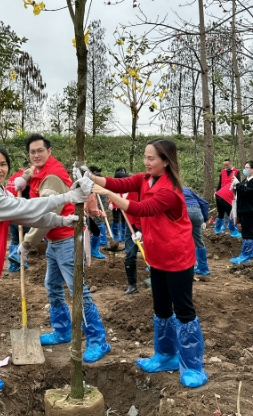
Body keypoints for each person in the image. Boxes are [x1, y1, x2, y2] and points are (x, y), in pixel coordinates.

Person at [0, 144, 91, 395]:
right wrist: (66, 198)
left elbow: (24, 217)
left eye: (3, 164)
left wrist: (60, 220)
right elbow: (25, 208)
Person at [89, 139, 208, 388]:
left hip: (176, 257)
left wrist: (109, 195)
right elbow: (119, 183)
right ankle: (166, 355)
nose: (146, 162)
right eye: (145, 157)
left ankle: (193, 366)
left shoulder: (170, 191)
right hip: (156, 256)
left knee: (183, 310)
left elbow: (143, 208)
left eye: (151, 158)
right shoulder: (145, 179)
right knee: (161, 307)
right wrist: (91, 178)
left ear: (166, 161)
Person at [18, 134, 111, 363]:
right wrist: (23, 177)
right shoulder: (41, 171)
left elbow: (47, 215)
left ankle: (98, 340)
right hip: (55, 241)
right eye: (32, 152)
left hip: (67, 240)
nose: (36, 155)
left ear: (49, 151)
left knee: (78, 289)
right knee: (52, 285)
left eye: (40, 151)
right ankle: (63, 331)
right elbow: (32, 172)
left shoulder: (52, 176)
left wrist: (27, 242)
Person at [229, 161, 253, 265]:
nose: (245, 169)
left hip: (250, 210)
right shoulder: (246, 180)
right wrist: (235, 187)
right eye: (244, 167)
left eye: (247, 167)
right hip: (243, 209)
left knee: (247, 233)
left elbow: (248, 192)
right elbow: (241, 190)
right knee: (248, 231)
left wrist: (238, 184)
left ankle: (246, 256)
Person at [5, 163, 32, 272]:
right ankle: (16, 256)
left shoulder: (12, 177)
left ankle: (13, 266)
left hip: (11, 213)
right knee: (26, 238)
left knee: (15, 239)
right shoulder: (26, 180)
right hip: (22, 212)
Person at [183, 186, 210, 276]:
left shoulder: (167, 188)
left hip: (184, 212)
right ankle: (203, 268)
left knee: (179, 239)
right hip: (197, 213)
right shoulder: (187, 189)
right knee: (198, 240)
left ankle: (183, 266)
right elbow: (204, 203)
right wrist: (205, 219)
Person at [214, 159, 241, 238]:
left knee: (223, 213)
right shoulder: (222, 172)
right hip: (223, 194)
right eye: (224, 165)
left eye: (227, 165)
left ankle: (218, 229)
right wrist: (216, 191)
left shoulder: (236, 171)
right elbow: (220, 182)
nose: (226, 166)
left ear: (231, 164)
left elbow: (238, 184)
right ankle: (233, 231)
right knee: (231, 214)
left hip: (227, 194)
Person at [84, 166, 106, 260]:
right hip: (83, 215)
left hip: (74, 214)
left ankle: (84, 255)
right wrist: (100, 214)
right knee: (96, 231)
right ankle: (92, 251)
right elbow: (93, 210)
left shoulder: (80, 185)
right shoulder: (91, 191)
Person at [109, 167, 127, 242]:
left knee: (124, 220)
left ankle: (123, 236)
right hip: (116, 205)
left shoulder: (127, 183)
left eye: (124, 171)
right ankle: (115, 236)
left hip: (124, 204)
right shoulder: (114, 184)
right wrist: (110, 203)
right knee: (116, 220)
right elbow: (111, 194)